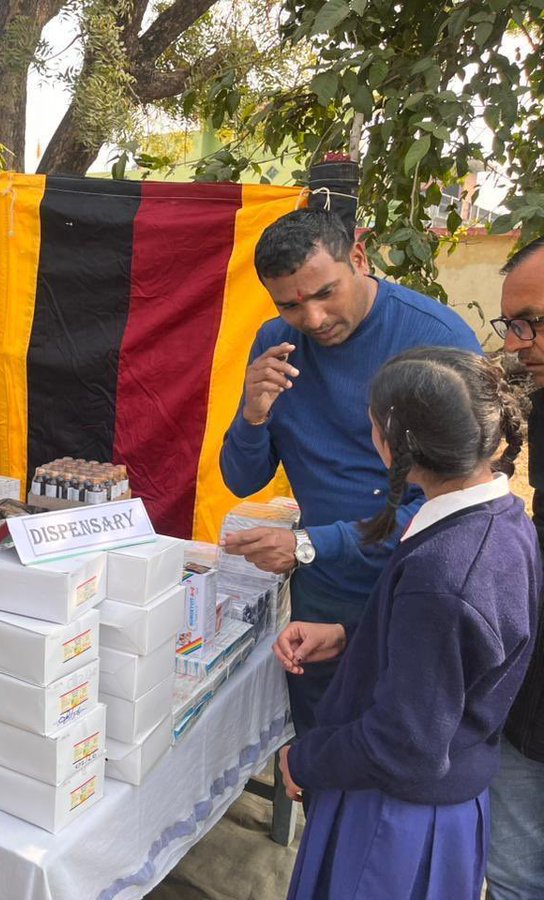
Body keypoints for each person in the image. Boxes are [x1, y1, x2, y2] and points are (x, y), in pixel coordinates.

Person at [273, 347, 539, 900]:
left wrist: (306, 757)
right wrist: (353, 638)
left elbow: (404, 742)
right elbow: (459, 660)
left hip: (395, 819)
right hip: (435, 798)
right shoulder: (502, 520)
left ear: (392, 446)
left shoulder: (446, 573)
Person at [219, 207, 481, 736]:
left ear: (358, 256)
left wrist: (312, 543)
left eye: (324, 293)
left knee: (403, 762)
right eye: (290, 304)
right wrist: (252, 415)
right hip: (324, 592)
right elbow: (242, 479)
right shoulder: (277, 342)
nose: (312, 319)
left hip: (418, 589)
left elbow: (457, 509)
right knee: (320, 760)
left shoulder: (434, 339)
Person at [485, 236, 544, 900]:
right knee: (515, 878)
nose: (516, 343)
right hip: (528, 714)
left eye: (531, 322)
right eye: (511, 325)